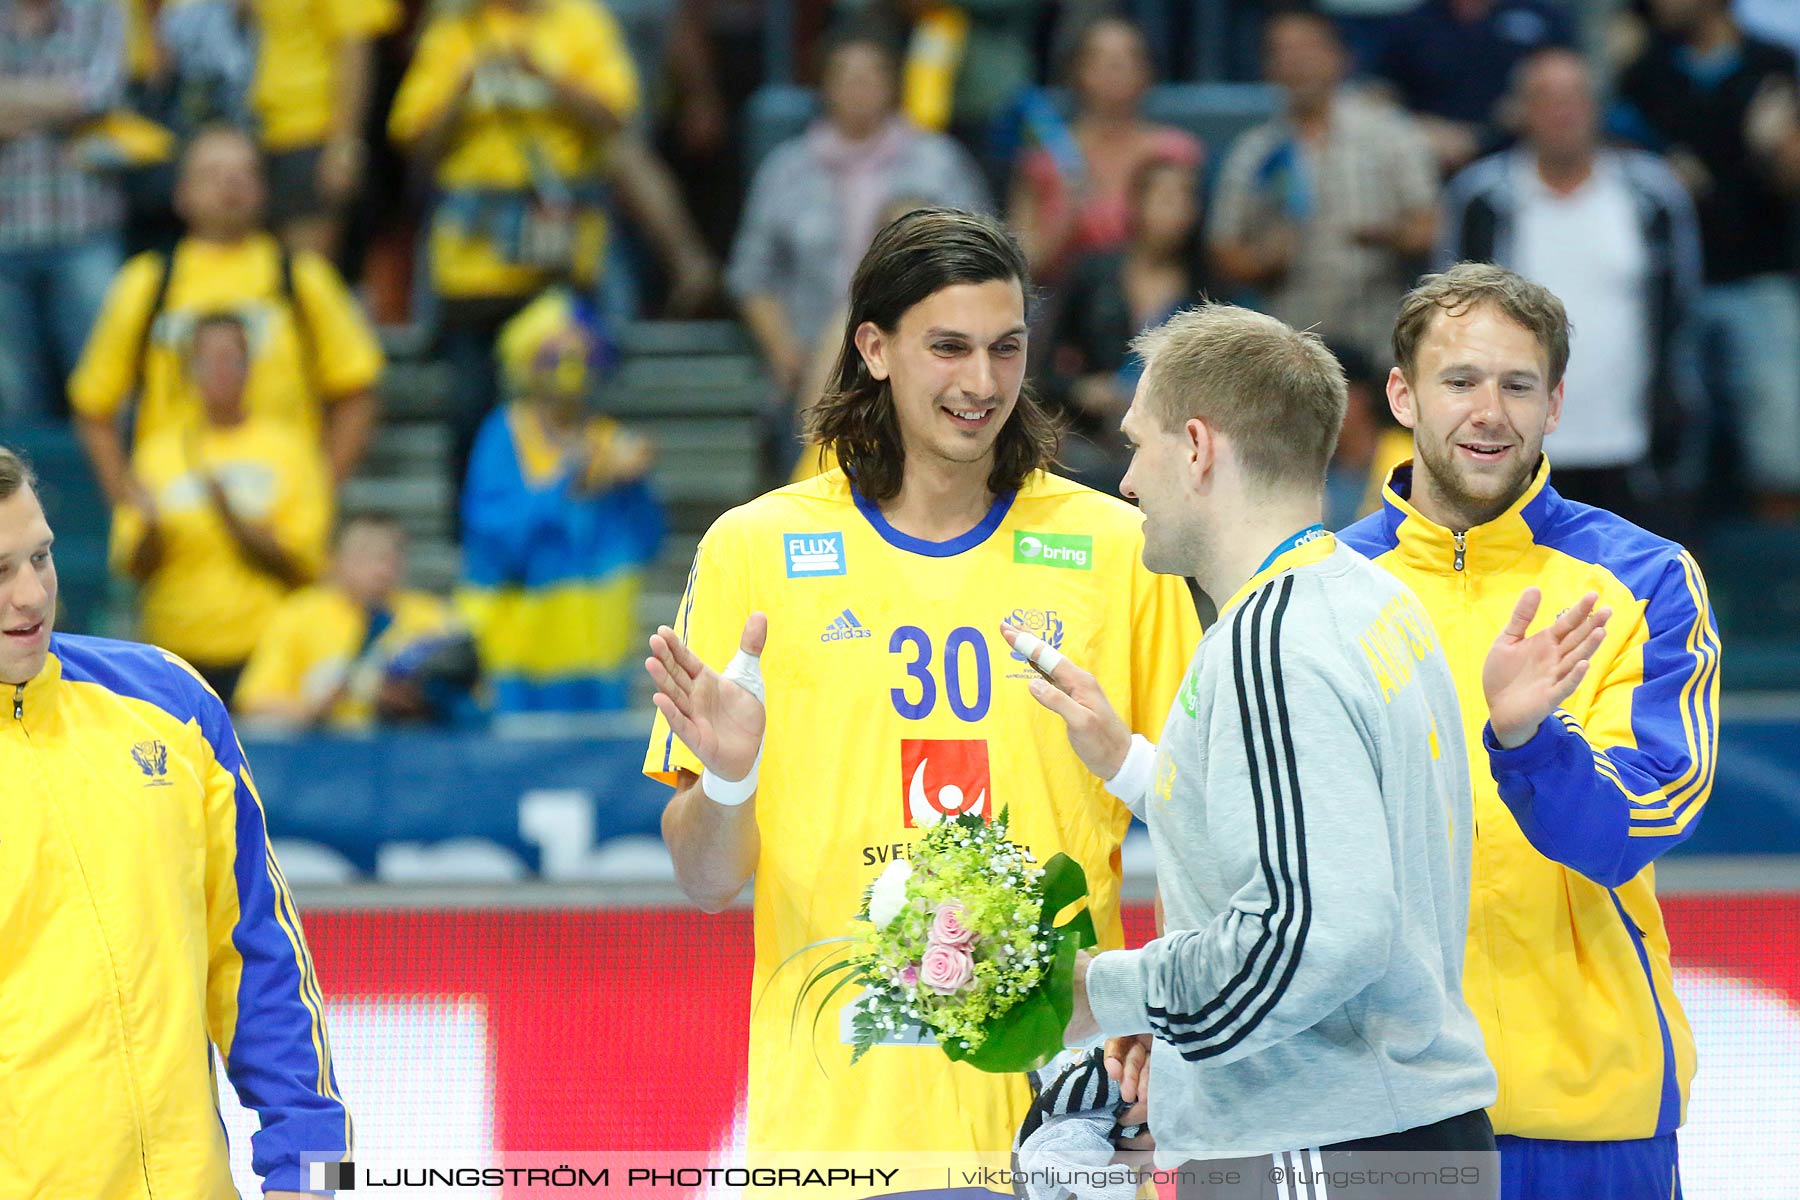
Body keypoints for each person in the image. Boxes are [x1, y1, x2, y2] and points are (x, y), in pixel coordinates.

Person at [640, 208, 1201, 1189]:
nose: (981, 384)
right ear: (875, 347)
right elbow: (703, 880)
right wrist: (729, 783)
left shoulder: (1122, 551)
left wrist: (1169, 1027)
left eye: (1006, 349)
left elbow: (1211, 828)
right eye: (948, 348)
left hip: (1063, 1126)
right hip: (837, 1138)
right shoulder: (753, 551)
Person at [1011, 304, 1498, 1195]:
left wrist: (1101, 992)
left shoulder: (1269, 643)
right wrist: (1126, 759)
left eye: (1137, 444)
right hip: (1394, 1134)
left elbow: (1312, 934)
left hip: (1321, 1145)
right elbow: (1331, 847)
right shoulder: (1370, 600)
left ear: (1196, 447)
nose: (1125, 482)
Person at [1339, 262, 1721, 1198]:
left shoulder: (1645, 579)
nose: (1489, 411)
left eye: (1518, 385)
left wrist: (1528, 745)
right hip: (1380, 1117)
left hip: (1590, 1117)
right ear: (1402, 393)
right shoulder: (1320, 590)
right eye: (1459, 380)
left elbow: (1632, 827)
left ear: (1554, 403)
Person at [0, 443, 345, 1197]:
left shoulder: (171, 701)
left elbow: (264, 965)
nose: (30, 596)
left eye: (42, 557)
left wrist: (324, 1182)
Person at [388, 0, 640, 509]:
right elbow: (412, 138)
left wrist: (546, 78)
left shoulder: (581, 22)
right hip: (472, 264)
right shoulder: (453, 32)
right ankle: (473, 528)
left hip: (558, 257)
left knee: (567, 398)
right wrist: (462, 90)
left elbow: (616, 114)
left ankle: (571, 525)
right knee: (469, 405)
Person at [1440, 48, 1702, 532]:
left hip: (1634, 445)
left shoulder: (1653, 197)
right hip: (1514, 445)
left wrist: (1675, 415)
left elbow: (1682, 314)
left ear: (1597, 107)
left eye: (1575, 98)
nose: (1562, 112)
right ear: (1520, 110)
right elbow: (1451, 320)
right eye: (1545, 99)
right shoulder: (1482, 200)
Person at [69, 124, 384, 512]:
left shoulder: (302, 278)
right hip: (175, 509)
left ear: (264, 188)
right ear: (181, 193)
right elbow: (93, 404)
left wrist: (318, 493)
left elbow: (357, 389)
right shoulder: (147, 282)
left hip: (278, 510)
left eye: (244, 173)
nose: (230, 185)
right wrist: (126, 498)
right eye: (212, 174)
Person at [728, 27, 989, 441]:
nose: (859, 86)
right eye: (847, 75)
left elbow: (981, 263)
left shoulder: (940, 163)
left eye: (872, 75)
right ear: (824, 85)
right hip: (810, 361)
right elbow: (751, 274)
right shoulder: (786, 168)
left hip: (925, 358)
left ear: (893, 83)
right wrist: (784, 352)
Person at [1614, 0, 1800, 519]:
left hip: (1759, 273)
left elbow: (1792, 175)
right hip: (1669, 287)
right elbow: (1619, 159)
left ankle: (1783, 582)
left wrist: (1776, 149)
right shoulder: (1646, 70)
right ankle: (1684, 584)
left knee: (1779, 447)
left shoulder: (1775, 62)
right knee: (1677, 450)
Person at [459, 288, 664, 713]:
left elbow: (646, 541)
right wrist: (570, 482)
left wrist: (635, 484)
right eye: (556, 359)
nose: (571, 372)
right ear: (528, 361)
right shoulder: (504, 434)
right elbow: (493, 535)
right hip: (518, 648)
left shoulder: (610, 438)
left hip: (595, 647)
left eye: (581, 359)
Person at [109, 311, 331, 701]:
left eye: (231, 358)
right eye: (207, 360)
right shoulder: (157, 453)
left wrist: (232, 519)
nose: (220, 371)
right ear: (188, 370)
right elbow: (132, 566)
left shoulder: (290, 450)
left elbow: (304, 564)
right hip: (174, 654)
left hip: (264, 655)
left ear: (251, 366)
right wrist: (152, 530)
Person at [1209, 11, 1438, 369]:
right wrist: (1263, 260)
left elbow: (1432, 227)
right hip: (1291, 352)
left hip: (1380, 344)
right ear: (1268, 67)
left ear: (1341, 57)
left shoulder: (1391, 133)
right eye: (1281, 51)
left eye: (1308, 49)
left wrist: (1387, 235)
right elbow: (1222, 251)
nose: (1296, 62)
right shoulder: (1255, 152)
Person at [1047, 154, 1211, 496]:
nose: (1177, 211)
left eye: (1187, 199)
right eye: (1166, 198)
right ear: (1135, 203)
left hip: (1174, 446)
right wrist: (1083, 390)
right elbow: (1041, 371)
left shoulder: (1208, 290)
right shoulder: (1092, 274)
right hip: (1090, 439)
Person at [0, 0, 126, 422]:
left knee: (107, 394)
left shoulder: (101, 9)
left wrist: (12, 102)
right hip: (4, 234)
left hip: (86, 230)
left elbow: (102, 94)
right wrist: (63, 102)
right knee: (15, 406)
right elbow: (78, 98)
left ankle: (112, 490)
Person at [1007, 15, 1203, 282]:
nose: (1116, 67)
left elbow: (1200, 255)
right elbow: (1018, 264)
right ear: (1076, 71)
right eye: (1101, 58)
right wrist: (1063, 225)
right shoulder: (1046, 157)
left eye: (1129, 57)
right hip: (1066, 307)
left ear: (1148, 70)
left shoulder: (1176, 152)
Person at [235, 513, 465, 730]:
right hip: (322, 756)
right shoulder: (301, 614)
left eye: (391, 558)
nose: (380, 570)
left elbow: (474, 700)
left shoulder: (430, 617)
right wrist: (317, 709)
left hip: (409, 753)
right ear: (335, 560)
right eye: (366, 557)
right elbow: (253, 700)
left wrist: (423, 698)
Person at [1376, 0, 1576, 173]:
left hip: (1522, 158)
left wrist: (1529, 105)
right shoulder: (1411, 24)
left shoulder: (1540, 16)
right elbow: (1377, 99)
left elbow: (1571, 80)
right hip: (1431, 162)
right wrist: (1417, 130)